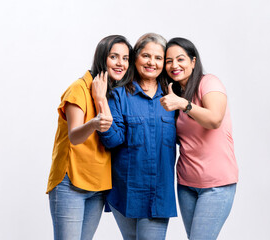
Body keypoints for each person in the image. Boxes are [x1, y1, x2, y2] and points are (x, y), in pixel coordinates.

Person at [46, 35, 133, 240]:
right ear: (102, 58)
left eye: (125, 58)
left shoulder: (114, 93)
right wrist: (93, 123)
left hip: (98, 185)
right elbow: (75, 136)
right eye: (114, 56)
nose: (121, 63)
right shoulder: (79, 89)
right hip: (71, 182)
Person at [98, 33, 177, 240]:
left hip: (159, 194)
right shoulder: (119, 95)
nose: (152, 62)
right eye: (146, 56)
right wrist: (102, 103)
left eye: (158, 58)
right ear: (136, 58)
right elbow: (113, 140)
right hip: (126, 193)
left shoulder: (173, 98)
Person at [160, 37, 239, 240]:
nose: (174, 65)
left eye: (180, 59)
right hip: (186, 184)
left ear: (193, 62)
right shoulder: (173, 93)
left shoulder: (208, 82)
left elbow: (214, 120)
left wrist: (183, 104)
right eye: (168, 61)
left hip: (216, 185)